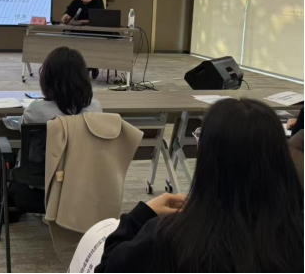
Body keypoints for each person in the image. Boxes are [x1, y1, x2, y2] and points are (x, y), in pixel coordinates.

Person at [95, 99, 304, 273]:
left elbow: (108, 267)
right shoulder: (294, 238)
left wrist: (141, 214)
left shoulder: (168, 238)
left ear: (208, 161)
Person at [22, 47, 102, 125]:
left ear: (47, 77)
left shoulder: (35, 110)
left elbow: (21, 128)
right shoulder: (95, 108)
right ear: (83, 77)